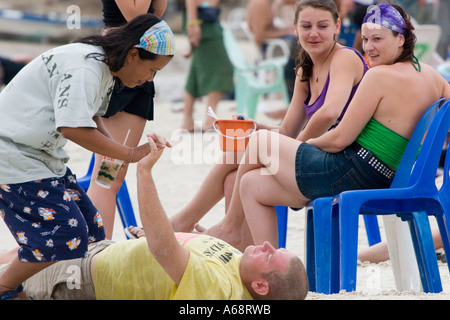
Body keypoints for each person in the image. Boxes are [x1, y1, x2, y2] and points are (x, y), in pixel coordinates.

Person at [197, 2, 450, 250]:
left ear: (401, 39)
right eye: (366, 39)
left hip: (355, 172)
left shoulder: (379, 76)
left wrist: (299, 147)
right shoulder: (433, 77)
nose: (369, 48)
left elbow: (340, 139)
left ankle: (229, 227)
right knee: (251, 183)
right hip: (390, 177)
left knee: (259, 142)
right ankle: (268, 265)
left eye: (378, 39)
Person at [0, 135, 308, 300]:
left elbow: (164, 251)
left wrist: (144, 171)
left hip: (83, 275)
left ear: (262, 287)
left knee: (9, 280)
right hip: (104, 248)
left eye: (271, 256)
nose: (268, 245)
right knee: (22, 255)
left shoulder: (219, 288)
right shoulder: (241, 267)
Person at [0, 13, 175, 300]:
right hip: (13, 157)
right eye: (152, 70)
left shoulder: (103, 66)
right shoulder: (87, 68)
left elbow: (89, 115)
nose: (149, 79)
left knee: (93, 230)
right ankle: (5, 286)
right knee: (63, 237)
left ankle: (30, 287)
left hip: (41, 157)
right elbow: (72, 128)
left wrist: (117, 153)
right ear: (133, 55)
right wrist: (129, 154)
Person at [170, 0, 368, 238]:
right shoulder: (305, 71)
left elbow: (329, 113)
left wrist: (295, 148)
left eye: (322, 26)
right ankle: (245, 251)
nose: (313, 33)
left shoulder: (344, 58)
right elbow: (287, 131)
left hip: (344, 163)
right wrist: (258, 127)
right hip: (319, 157)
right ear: (295, 29)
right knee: (238, 170)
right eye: (306, 26)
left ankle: (210, 224)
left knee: (253, 147)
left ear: (337, 27)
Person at [87, 0, 168, 239]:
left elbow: (156, 15)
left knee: (114, 174)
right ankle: (97, 251)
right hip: (121, 64)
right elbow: (136, 15)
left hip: (141, 70)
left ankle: (98, 249)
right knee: (107, 175)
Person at [179, 0, 234, 132]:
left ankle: (188, 119)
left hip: (205, 21)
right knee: (222, 68)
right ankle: (209, 119)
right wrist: (193, 22)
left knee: (197, 70)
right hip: (203, 23)